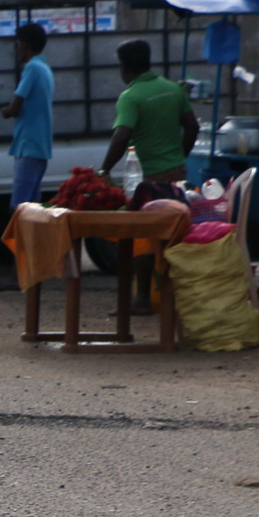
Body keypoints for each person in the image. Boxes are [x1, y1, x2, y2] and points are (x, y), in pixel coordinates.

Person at [99, 38, 200, 313]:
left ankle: (142, 298)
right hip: (177, 173)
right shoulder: (172, 89)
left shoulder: (130, 97)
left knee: (142, 235)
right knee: (173, 235)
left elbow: (121, 137)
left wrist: (104, 169)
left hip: (147, 179)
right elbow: (192, 126)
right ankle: (175, 298)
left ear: (124, 66)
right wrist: (180, 154)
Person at [0, 22, 54, 207]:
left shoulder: (32, 68)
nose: (17, 49)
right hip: (41, 145)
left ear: (24, 44)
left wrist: (5, 111)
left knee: (19, 208)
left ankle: (19, 238)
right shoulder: (45, 68)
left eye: (17, 43)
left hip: (28, 145)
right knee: (33, 206)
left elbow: (14, 107)